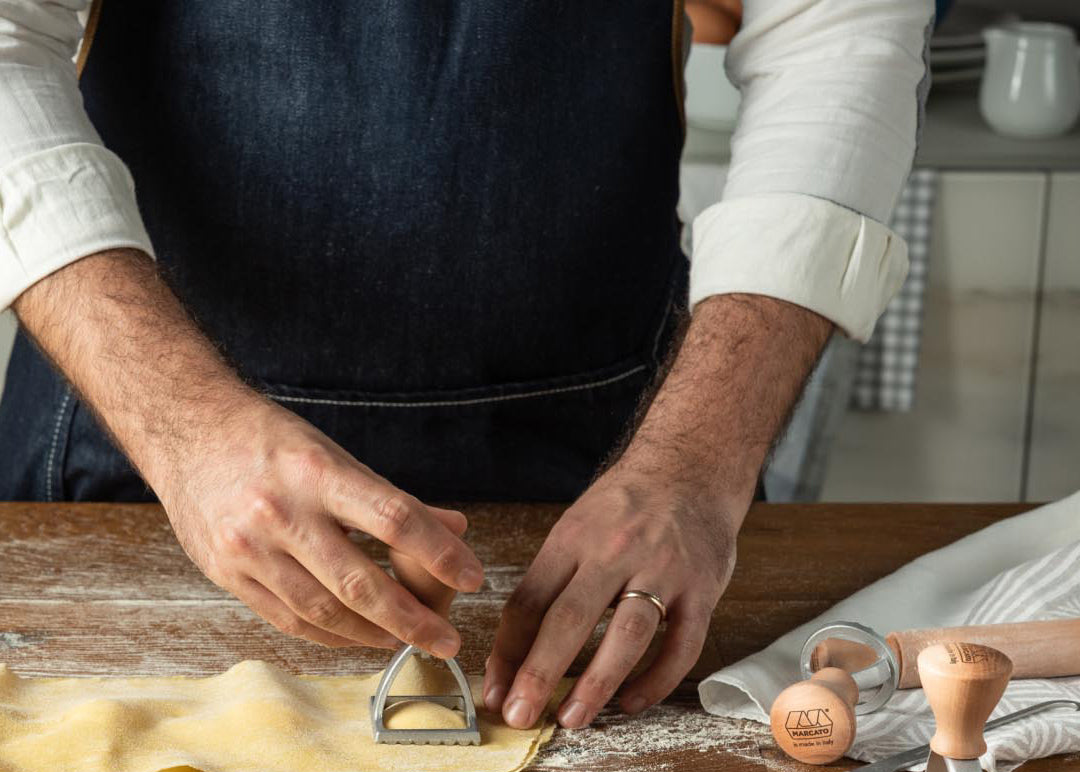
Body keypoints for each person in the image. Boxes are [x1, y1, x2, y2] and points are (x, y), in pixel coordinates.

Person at [0, 0, 933, 732]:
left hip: (617, 467)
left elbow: (840, 38)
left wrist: (695, 464)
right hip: (139, 454)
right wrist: (187, 427)